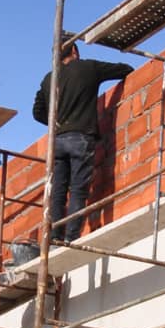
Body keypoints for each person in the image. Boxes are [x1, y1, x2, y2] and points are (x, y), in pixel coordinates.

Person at [33, 41, 134, 242]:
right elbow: (125, 70)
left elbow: (37, 112)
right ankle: (71, 238)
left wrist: (57, 122)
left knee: (59, 191)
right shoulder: (89, 67)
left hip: (58, 142)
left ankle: (54, 236)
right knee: (78, 189)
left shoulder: (49, 79)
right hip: (81, 137)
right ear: (74, 51)